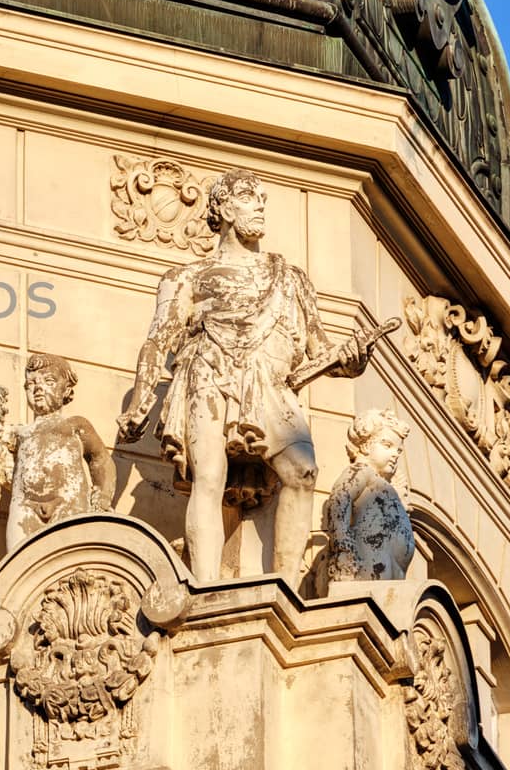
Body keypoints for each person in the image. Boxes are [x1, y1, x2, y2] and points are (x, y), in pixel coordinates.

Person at [116, 169, 371, 584]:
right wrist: (140, 402)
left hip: (269, 386)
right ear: (224, 208)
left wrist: (353, 359)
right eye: (251, 199)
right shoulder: (187, 277)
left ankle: (285, 587)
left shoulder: (290, 279)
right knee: (209, 479)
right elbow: (157, 341)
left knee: (302, 471)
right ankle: (204, 584)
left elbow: (322, 353)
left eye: (262, 200)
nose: (261, 208)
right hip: (208, 376)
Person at [0, 353, 113, 555]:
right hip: (25, 507)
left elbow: (101, 460)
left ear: (66, 390)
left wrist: (103, 496)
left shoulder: (75, 425)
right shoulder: (18, 434)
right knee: (19, 563)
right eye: (31, 383)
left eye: (48, 381)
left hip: (67, 503)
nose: (38, 388)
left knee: (72, 559)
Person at [323, 410, 414, 584]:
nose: (395, 454)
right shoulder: (362, 471)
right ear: (365, 446)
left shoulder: (384, 484)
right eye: (387, 445)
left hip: (394, 571)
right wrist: (342, 542)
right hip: (369, 561)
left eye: (398, 450)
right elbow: (340, 497)